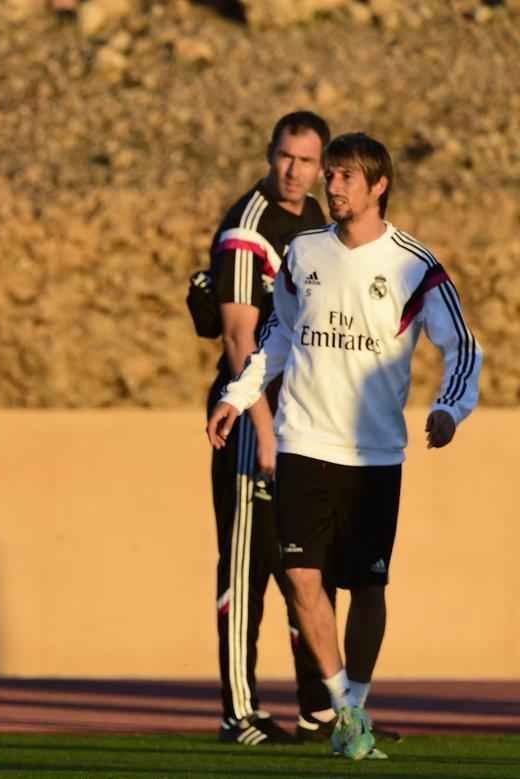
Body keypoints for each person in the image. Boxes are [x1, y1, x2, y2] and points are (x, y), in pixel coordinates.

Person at [207, 133, 482, 760]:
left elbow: (462, 346)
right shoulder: (303, 252)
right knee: (301, 576)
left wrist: (450, 407)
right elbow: (276, 337)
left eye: (345, 176)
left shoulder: (414, 264)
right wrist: (238, 394)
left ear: (378, 185)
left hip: (374, 454)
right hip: (304, 441)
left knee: (367, 588)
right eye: (329, 174)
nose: (331, 186)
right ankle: (345, 712)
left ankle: (355, 699)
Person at [205, 111, 335, 746]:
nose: (294, 170)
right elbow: (238, 338)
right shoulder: (247, 228)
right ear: (269, 153)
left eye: (306, 161)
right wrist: (263, 431)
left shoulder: (319, 222)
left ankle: (321, 709)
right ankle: (240, 713)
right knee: (246, 567)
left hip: (306, 417)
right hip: (255, 422)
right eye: (286, 156)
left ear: (322, 167)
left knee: (307, 566)